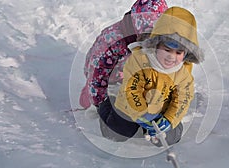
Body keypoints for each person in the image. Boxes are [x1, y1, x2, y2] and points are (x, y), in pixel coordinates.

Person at [98, 6, 205, 146]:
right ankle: (106, 105)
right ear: (156, 45)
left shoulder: (183, 73)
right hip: (130, 107)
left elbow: (183, 98)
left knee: (169, 138)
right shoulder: (140, 60)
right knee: (117, 133)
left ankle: (160, 127)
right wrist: (141, 113)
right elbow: (132, 89)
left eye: (178, 53)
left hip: (160, 111)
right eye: (167, 50)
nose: (171, 57)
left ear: (186, 53)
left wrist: (168, 119)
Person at [79, 0, 168, 112]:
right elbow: (97, 72)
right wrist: (99, 103)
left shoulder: (152, 42)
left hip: (128, 69)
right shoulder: (113, 41)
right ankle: (88, 99)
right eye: (148, 35)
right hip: (102, 72)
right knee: (92, 97)